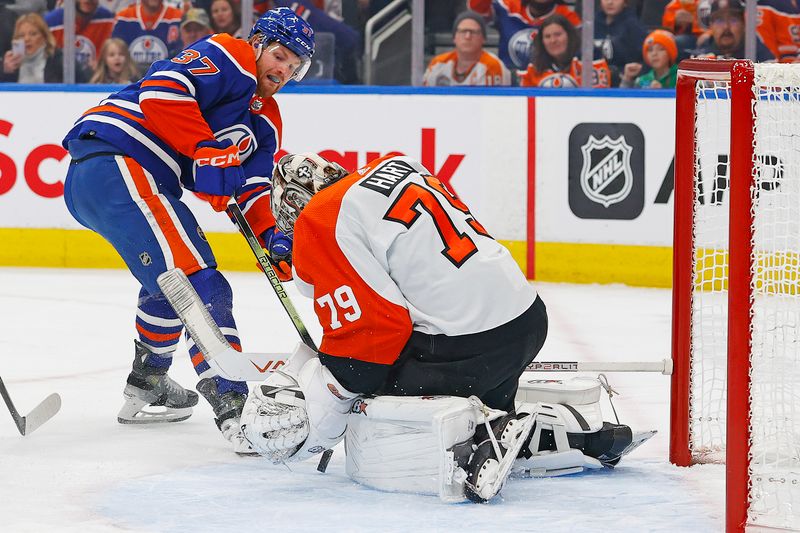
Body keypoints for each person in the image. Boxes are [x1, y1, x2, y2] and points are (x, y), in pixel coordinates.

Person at [239, 153, 644, 502]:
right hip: (526, 318)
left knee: (373, 390)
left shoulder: (320, 218)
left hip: (470, 345)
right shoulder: (397, 166)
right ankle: (570, 437)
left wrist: (329, 406)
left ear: (292, 203)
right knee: (483, 397)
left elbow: (372, 335)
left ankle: (477, 444)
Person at [60, 8, 313, 453]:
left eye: (295, 66)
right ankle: (234, 408)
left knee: (170, 278)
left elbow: (252, 185)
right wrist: (206, 149)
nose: (283, 70)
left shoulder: (265, 119)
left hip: (120, 179)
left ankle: (149, 380)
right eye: (279, 55)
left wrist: (272, 234)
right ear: (256, 43)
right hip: (119, 160)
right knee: (200, 280)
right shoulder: (231, 55)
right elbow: (162, 89)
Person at [467, 0, 582, 69]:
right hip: (507, 85)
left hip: (547, 85)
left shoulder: (568, 18)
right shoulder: (509, 7)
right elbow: (477, 8)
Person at [517, 14, 612, 88]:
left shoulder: (590, 57)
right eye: (547, 36)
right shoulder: (532, 66)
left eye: (558, 34)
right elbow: (523, 101)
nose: (553, 40)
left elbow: (598, 98)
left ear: (569, 36)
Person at [423, 10, 510, 86]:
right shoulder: (438, 64)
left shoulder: (493, 66)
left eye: (473, 32)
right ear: (454, 37)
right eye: (463, 31)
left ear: (483, 38)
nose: (467, 36)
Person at [1, 12, 80, 83]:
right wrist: (3, 71)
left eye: (33, 34)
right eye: (21, 35)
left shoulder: (58, 61)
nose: (27, 39)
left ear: (44, 37)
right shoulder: (10, 64)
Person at [111, 0, 183, 74]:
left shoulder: (177, 17)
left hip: (166, 77)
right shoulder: (123, 17)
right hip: (129, 77)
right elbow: (113, 51)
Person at [44, 0, 114, 72]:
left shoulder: (108, 19)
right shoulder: (51, 23)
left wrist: (103, 65)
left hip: (98, 80)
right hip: (59, 81)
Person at [692, 0, 774, 60]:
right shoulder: (701, 56)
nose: (726, 27)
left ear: (744, 24)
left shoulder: (760, 55)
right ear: (711, 25)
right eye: (719, 21)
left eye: (733, 20)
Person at [594, 0, 647, 79]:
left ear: (625, 2)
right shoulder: (591, 24)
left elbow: (644, 59)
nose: (610, 2)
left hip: (622, 80)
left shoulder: (633, 26)